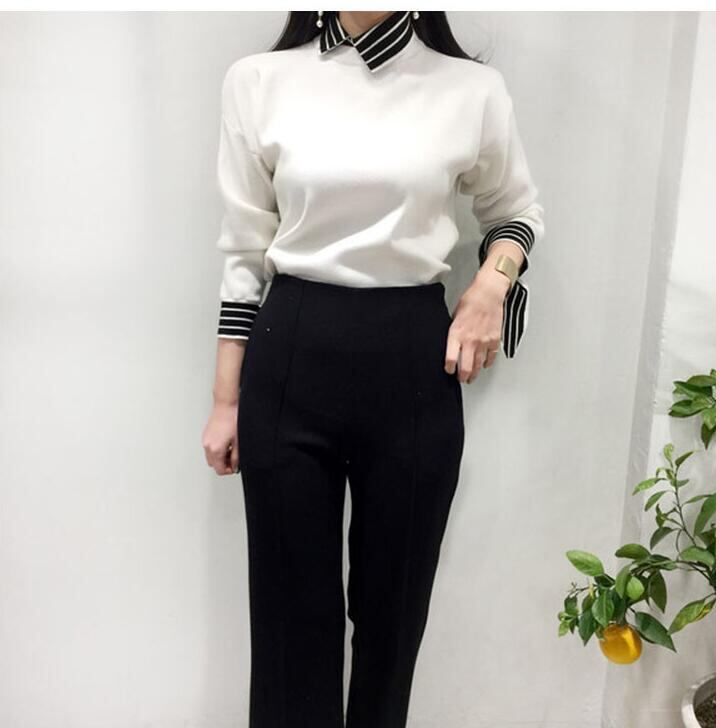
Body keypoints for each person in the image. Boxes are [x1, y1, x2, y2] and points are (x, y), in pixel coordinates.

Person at [202, 10, 544, 728]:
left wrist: (491, 285)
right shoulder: (259, 81)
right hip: (290, 354)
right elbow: (244, 251)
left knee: (394, 616)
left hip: (412, 361)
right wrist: (225, 400)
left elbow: (515, 212)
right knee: (291, 619)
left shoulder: (471, 90)